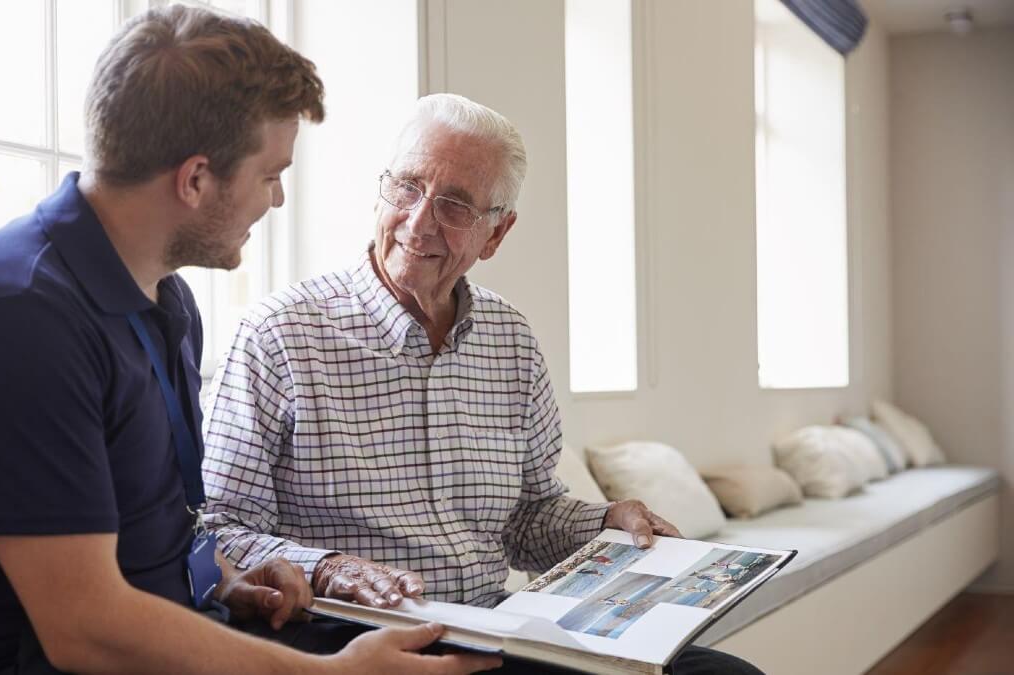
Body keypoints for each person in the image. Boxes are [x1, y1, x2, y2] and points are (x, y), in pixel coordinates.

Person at [0, 8, 497, 675]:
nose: (279, 199)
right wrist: (335, 674)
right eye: (270, 174)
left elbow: (160, 532)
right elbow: (84, 627)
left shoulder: (163, 300)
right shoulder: (13, 316)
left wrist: (226, 580)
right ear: (196, 179)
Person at [201, 93, 761, 674]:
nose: (419, 222)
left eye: (455, 205)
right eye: (408, 186)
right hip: (346, 636)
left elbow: (527, 518)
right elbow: (217, 529)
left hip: (495, 628)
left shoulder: (511, 341)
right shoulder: (279, 333)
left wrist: (605, 522)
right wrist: (327, 567)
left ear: (496, 234)